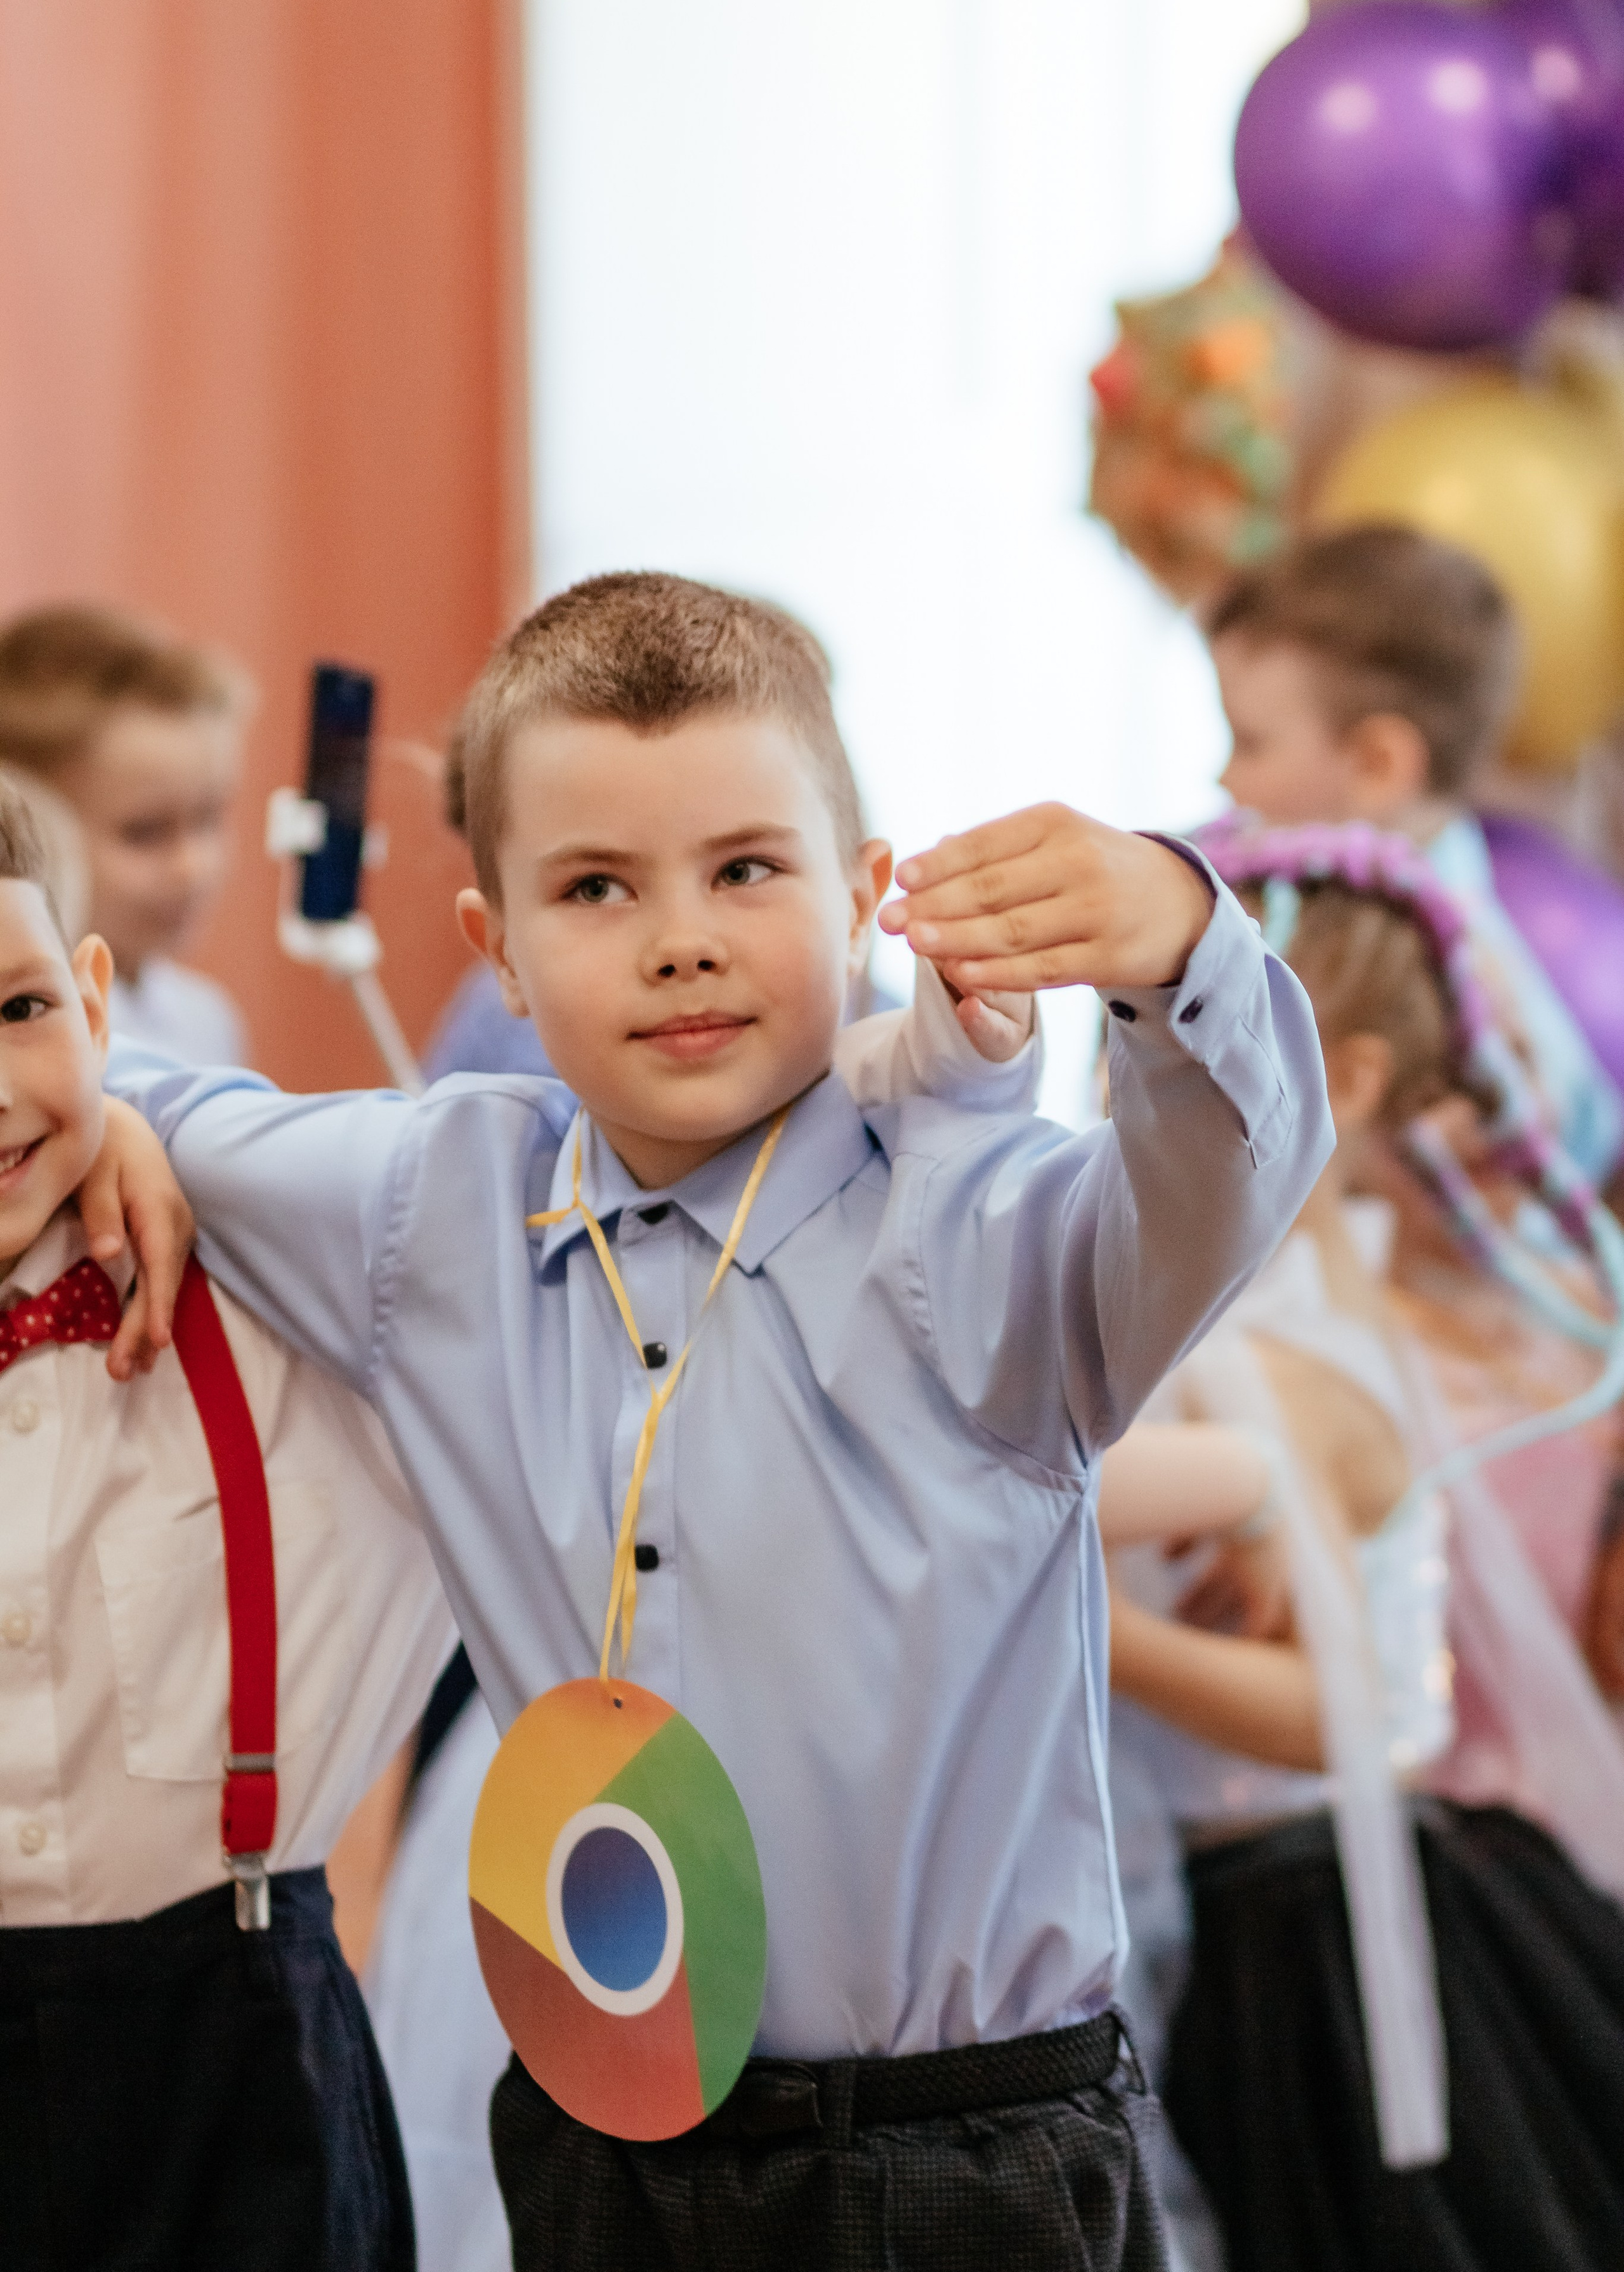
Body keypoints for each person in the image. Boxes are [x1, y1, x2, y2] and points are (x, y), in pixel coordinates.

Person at [98, 569, 1332, 2272]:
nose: (682, 936)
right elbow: (120, 1088)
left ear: (863, 897)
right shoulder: (433, 1211)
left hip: (962, 2154)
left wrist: (1186, 942)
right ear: (498, 951)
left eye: (747, 869)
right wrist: (91, 1112)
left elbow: (1221, 1175)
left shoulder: (978, 1231)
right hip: (608, 2151)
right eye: (596, 886)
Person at [1110, 823, 1624, 2272]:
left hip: (1306, 1929)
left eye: (1158, 1042)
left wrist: (1097, 1638)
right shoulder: (1285, 1318)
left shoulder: (1266, 1358)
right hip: (1249, 1906)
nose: (1111, 1087)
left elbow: (1368, 1717)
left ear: (1328, 1084)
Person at [0, 772, 461, 2270]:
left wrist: (157, 1115)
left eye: (18, 1013)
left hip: (249, 2068)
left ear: (91, 994)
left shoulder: (288, 1295)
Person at [1205, 523, 1624, 1187]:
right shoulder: (1241, 864)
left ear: (1376, 764)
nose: (1224, 777)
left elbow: (1567, 1154)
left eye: (1249, 744)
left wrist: (1494, 1139)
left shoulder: (1467, 982)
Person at [0, 601, 249, 1065]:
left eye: (208, 817)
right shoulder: (25, 1041)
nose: (193, 867)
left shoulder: (207, 1020)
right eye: (146, 832)